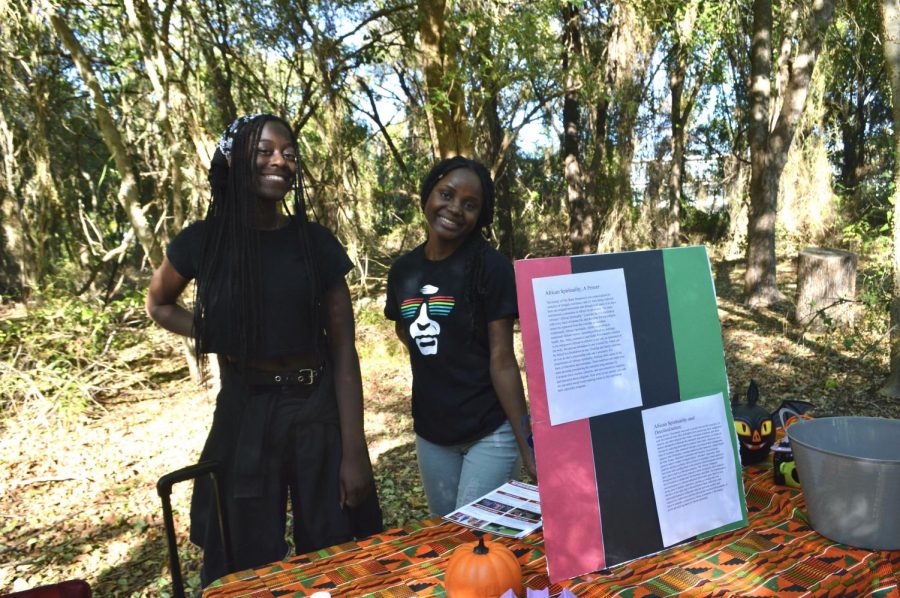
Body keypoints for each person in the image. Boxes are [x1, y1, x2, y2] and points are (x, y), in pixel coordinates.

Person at [146, 113, 382, 585]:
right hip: (245, 411)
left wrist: (354, 452)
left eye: (290, 153)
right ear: (233, 160)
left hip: (316, 408)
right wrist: (215, 333)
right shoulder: (202, 241)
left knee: (335, 552)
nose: (281, 160)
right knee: (245, 557)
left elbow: (343, 350)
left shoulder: (314, 242)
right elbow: (159, 303)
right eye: (265, 150)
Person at [384, 156, 537, 517]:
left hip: (489, 430)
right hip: (431, 433)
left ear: (480, 216)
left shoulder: (491, 267)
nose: (455, 209)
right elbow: (402, 327)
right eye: (447, 194)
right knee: (447, 540)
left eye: (470, 205)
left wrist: (526, 442)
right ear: (429, 193)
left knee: (476, 541)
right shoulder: (403, 271)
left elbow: (502, 359)